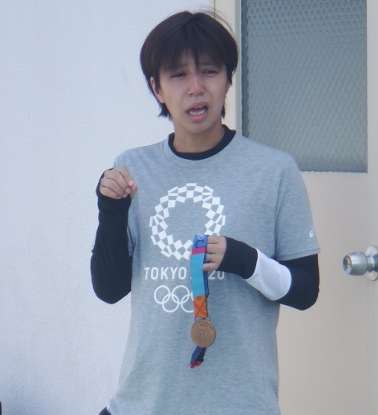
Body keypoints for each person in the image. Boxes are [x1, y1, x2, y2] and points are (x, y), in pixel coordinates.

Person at [91, 9, 320, 415]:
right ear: (157, 88)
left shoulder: (274, 171)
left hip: (241, 405)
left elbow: (305, 291)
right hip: (142, 404)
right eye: (178, 75)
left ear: (228, 78)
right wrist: (110, 210)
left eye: (210, 71)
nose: (196, 88)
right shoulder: (133, 168)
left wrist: (246, 261)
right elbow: (109, 289)